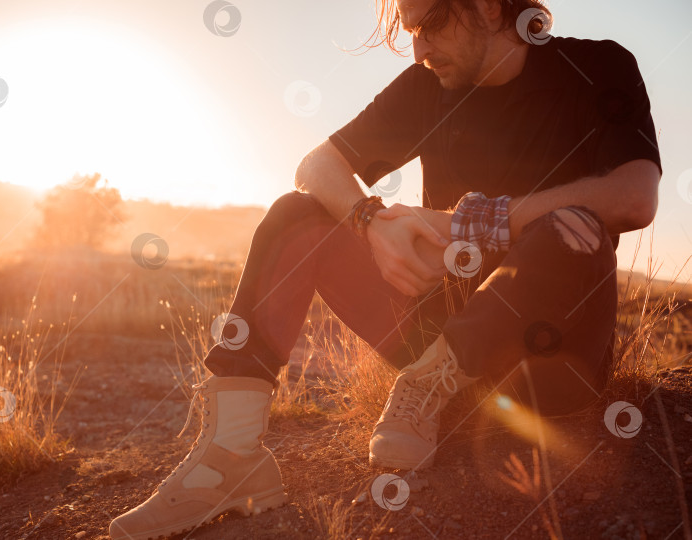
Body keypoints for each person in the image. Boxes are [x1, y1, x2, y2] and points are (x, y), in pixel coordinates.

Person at [109, 0, 662, 537]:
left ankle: (433, 379)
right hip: (432, 343)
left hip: (548, 362)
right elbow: (316, 165)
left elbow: (635, 196)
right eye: (409, 31)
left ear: (489, 7)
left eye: (429, 26)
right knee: (297, 215)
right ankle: (229, 459)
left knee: (573, 227)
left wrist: (471, 223)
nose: (418, 48)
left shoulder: (597, 67)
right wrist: (370, 219)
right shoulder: (429, 85)